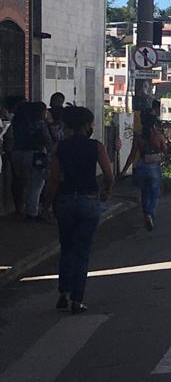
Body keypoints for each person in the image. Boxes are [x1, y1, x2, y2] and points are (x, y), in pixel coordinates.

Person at [43, 106, 113, 314]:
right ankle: (77, 299)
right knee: (82, 252)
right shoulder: (96, 147)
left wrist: (46, 204)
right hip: (89, 200)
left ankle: (63, 294)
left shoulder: (60, 147)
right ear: (86, 125)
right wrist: (106, 191)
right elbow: (109, 175)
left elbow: (54, 179)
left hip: (65, 200)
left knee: (66, 248)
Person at [121, 110, 167, 231]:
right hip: (154, 167)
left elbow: (132, 155)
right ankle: (150, 214)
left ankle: (146, 213)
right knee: (155, 194)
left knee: (144, 194)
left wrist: (124, 170)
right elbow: (165, 151)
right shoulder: (158, 136)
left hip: (141, 166)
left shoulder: (139, 136)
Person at [10, 100, 52, 221]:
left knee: (20, 182)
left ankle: (20, 209)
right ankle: (32, 212)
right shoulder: (39, 123)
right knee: (36, 184)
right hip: (35, 154)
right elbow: (47, 140)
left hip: (16, 153)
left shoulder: (16, 122)